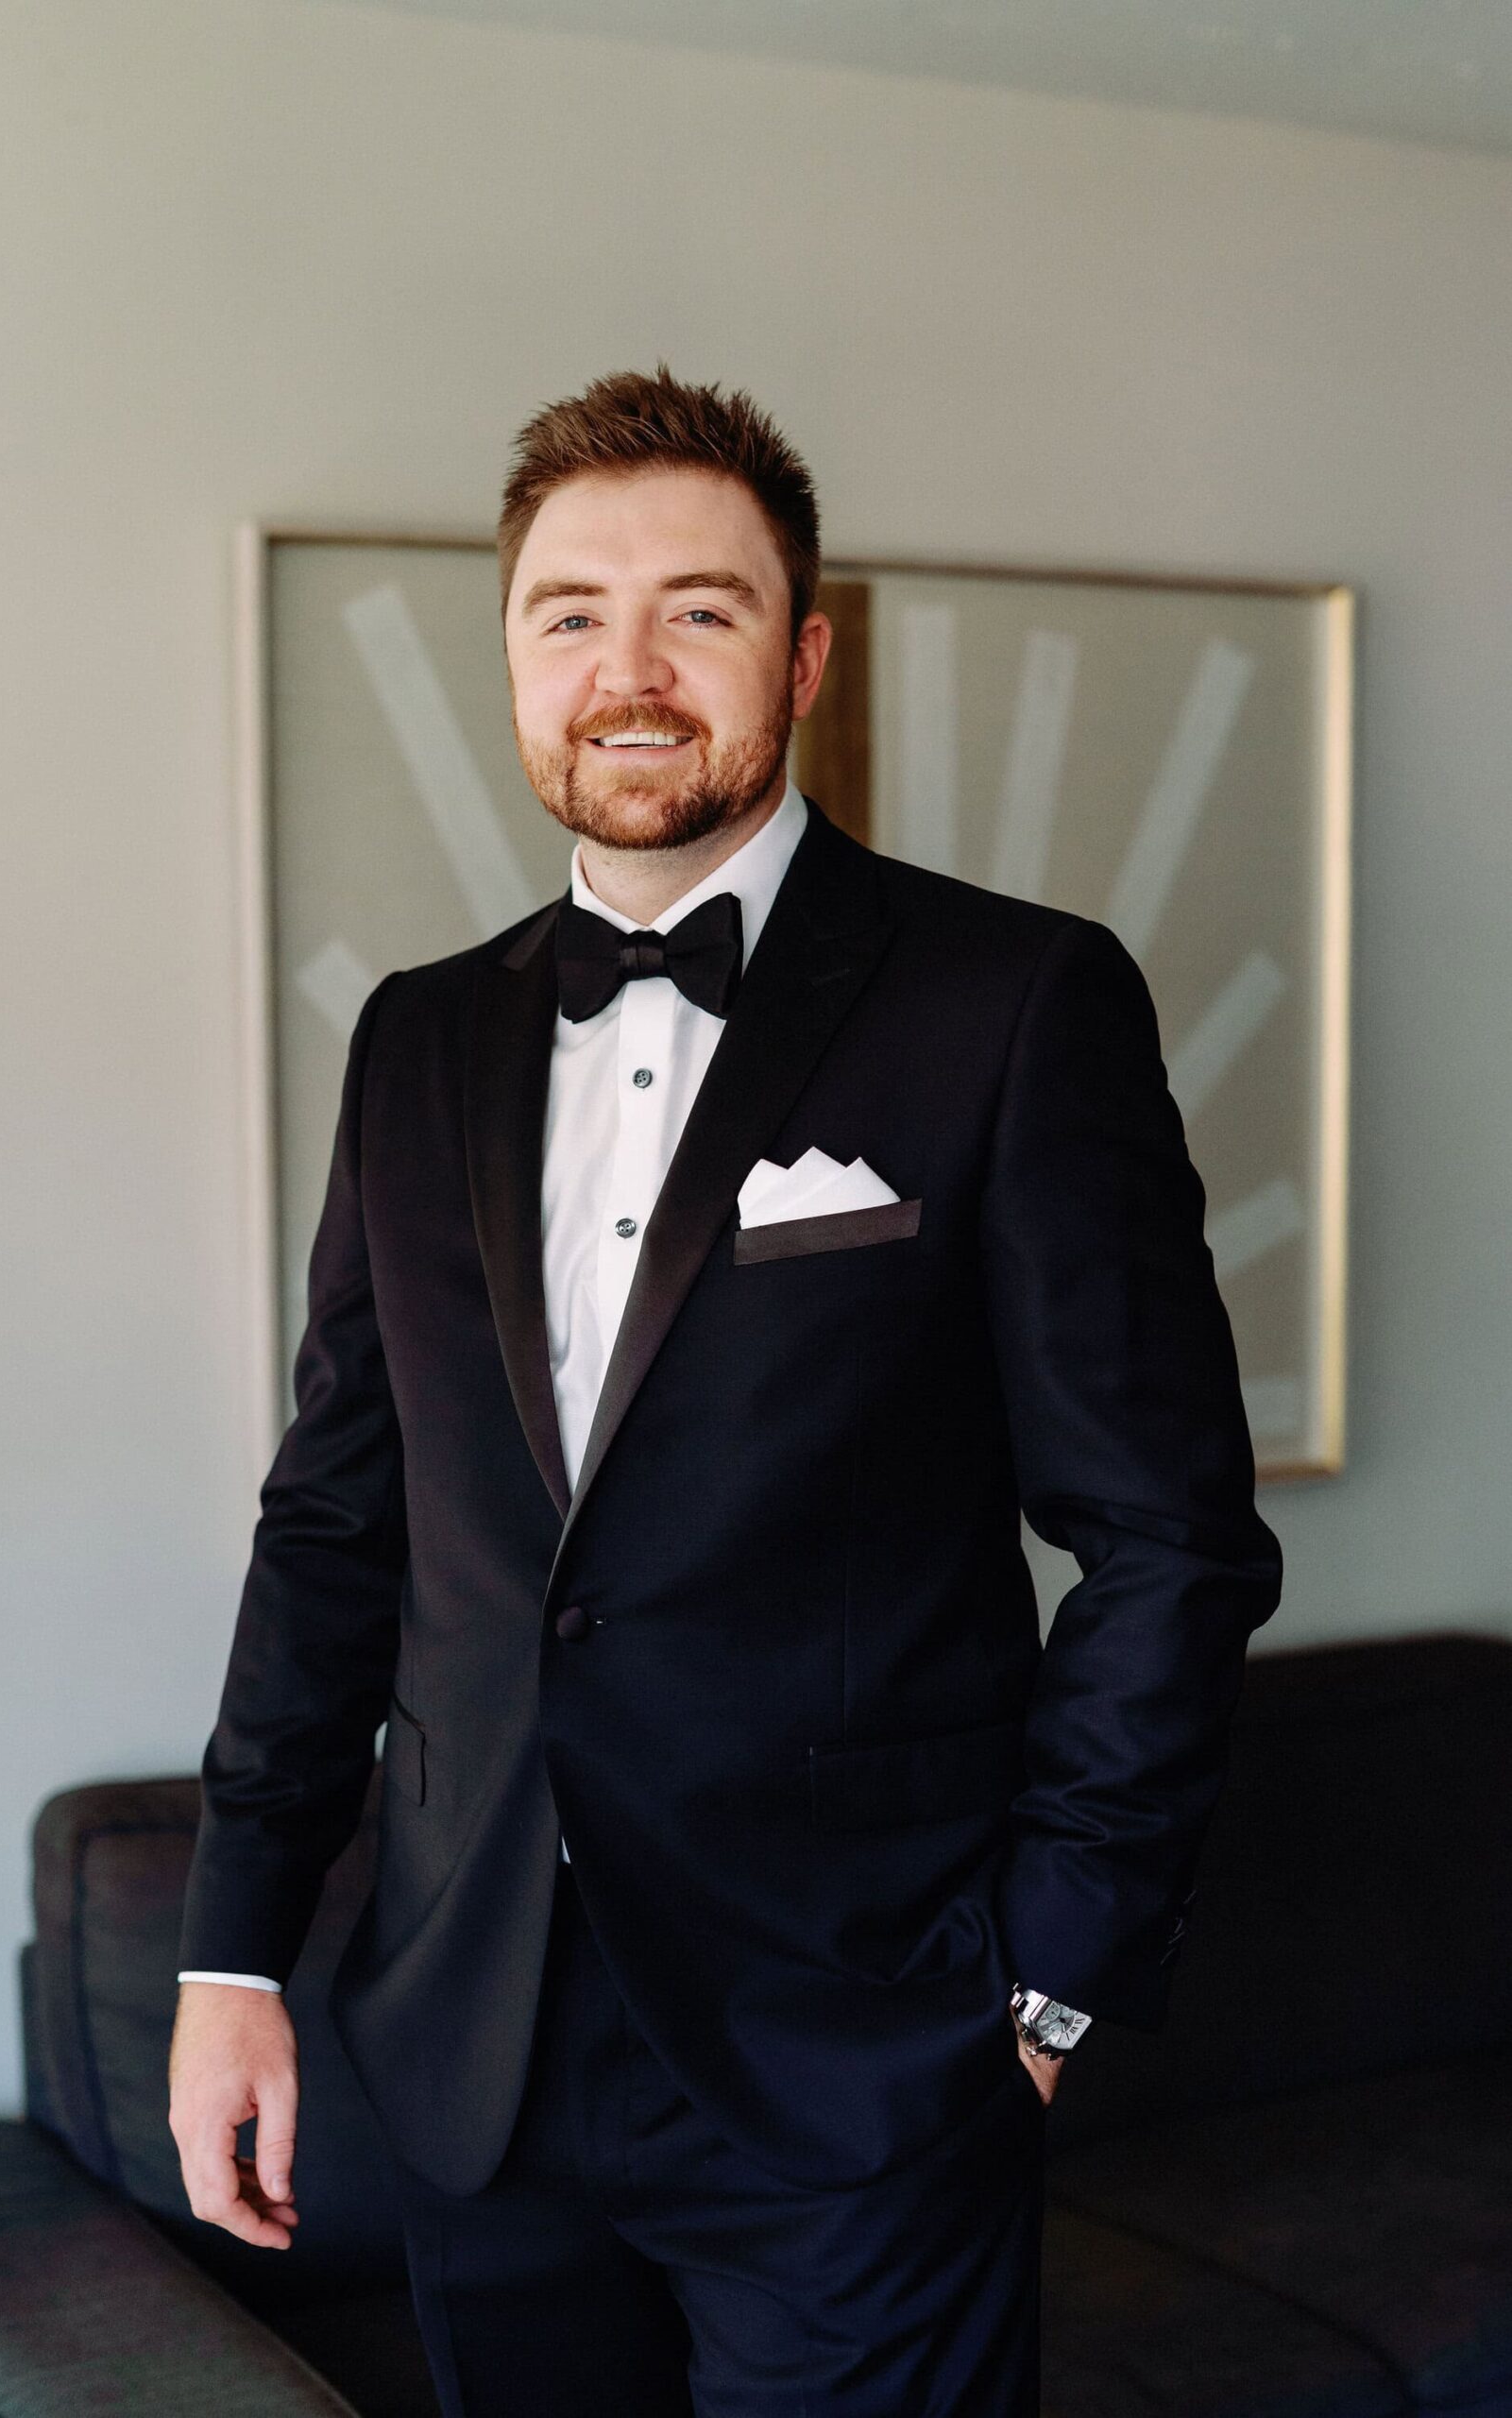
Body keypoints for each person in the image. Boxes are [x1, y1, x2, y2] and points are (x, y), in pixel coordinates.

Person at [170, 365, 1283, 2416]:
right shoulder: (414, 1046)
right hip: (471, 2052)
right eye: (569, 612)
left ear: (806, 652)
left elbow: (1167, 1533)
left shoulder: (1018, 1003)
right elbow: (339, 1516)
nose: (631, 667)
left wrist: (1045, 1974)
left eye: (703, 607)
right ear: (511, 655)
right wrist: (233, 1953)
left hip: (856, 2054)